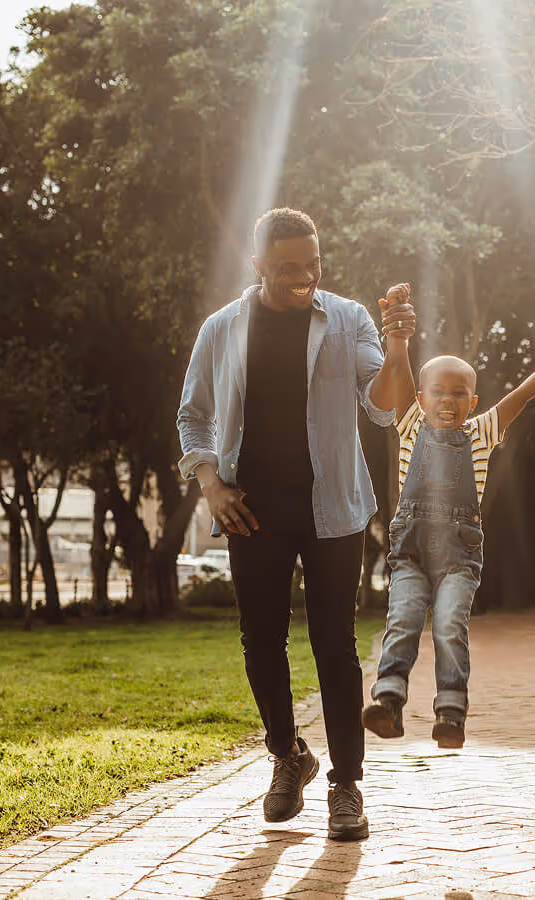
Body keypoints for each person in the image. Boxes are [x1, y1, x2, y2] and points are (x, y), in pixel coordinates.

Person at [176, 208, 416, 840]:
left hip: (332, 507)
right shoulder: (222, 329)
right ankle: (288, 756)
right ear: (258, 266)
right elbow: (193, 416)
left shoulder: (348, 319)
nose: (304, 277)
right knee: (261, 642)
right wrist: (210, 486)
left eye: (313, 264)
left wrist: (397, 348)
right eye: (288, 268)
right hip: (251, 510)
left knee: (335, 646)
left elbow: (385, 406)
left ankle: (346, 787)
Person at [361, 284, 535, 749]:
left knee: (447, 625)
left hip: (459, 558)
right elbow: (398, 366)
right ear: (420, 398)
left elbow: (522, 396)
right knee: (402, 618)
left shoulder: (482, 432)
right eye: (437, 392)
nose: (447, 401)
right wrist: (398, 322)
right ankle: (388, 699)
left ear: (473, 403)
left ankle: (451, 712)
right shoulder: (410, 422)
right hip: (410, 554)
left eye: (458, 394)